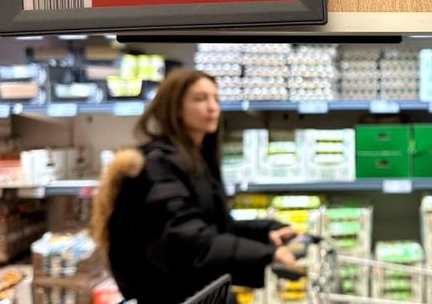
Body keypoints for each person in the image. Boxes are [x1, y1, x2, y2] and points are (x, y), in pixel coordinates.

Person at [91, 69, 297, 303]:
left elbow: (213, 228)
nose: (212, 107)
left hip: (202, 292)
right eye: (200, 99)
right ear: (174, 107)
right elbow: (185, 243)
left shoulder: (195, 160)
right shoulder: (157, 166)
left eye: (215, 99)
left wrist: (265, 234)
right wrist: (266, 257)